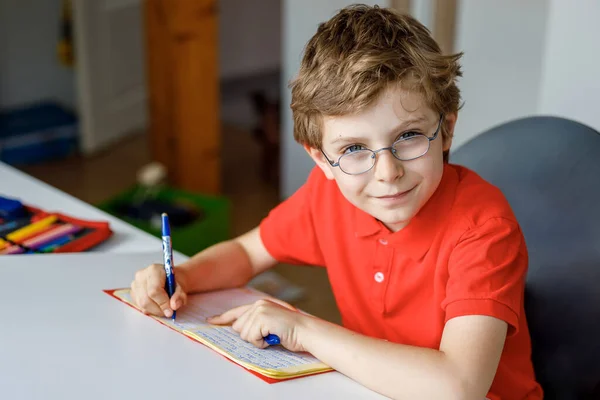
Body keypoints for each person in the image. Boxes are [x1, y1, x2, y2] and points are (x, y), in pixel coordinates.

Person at [130, 5, 542, 399]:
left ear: (446, 130)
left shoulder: (483, 229)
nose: (387, 172)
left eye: (409, 136)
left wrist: (303, 331)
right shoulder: (328, 195)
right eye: (354, 149)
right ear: (320, 159)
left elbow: (459, 387)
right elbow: (245, 252)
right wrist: (182, 276)